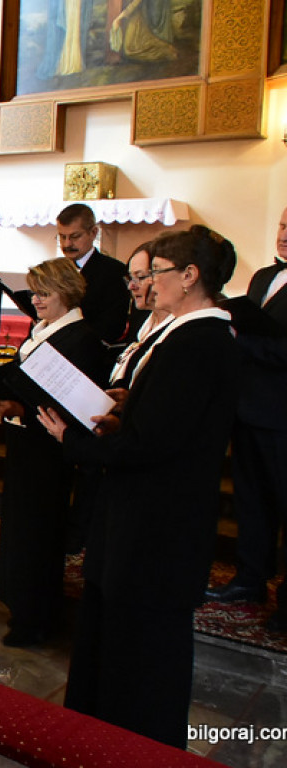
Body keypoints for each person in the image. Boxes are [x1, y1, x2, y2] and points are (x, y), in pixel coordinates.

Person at [38, 226, 240, 748]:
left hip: (158, 522)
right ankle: (100, 736)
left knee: (144, 651)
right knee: (115, 636)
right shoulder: (183, 336)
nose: (149, 283)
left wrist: (74, 440)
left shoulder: (198, 341)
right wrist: (128, 405)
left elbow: (155, 444)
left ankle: (132, 749)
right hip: (140, 511)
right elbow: (165, 417)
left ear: (190, 276)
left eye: (158, 273)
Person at [0, 257, 107, 647]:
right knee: (21, 528)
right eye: (34, 292)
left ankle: (37, 616)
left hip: (50, 449)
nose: (35, 300)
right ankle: (21, 606)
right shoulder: (43, 331)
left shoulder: (81, 337)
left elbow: (74, 403)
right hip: (26, 443)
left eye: (44, 293)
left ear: (67, 293)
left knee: (39, 532)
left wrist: (23, 407)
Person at [206, 206, 287, 631]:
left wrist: (242, 341)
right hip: (248, 410)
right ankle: (249, 580)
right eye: (282, 225)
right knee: (251, 503)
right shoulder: (261, 278)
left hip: (282, 416)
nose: (284, 235)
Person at [56, 203, 130, 346]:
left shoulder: (113, 271)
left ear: (94, 233)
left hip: (89, 351)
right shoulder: (54, 270)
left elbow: (113, 326)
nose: (67, 244)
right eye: (62, 237)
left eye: (75, 236)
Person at [109, 240, 172, 389]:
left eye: (140, 277)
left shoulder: (176, 329)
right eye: (130, 278)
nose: (131, 286)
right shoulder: (141, 318)